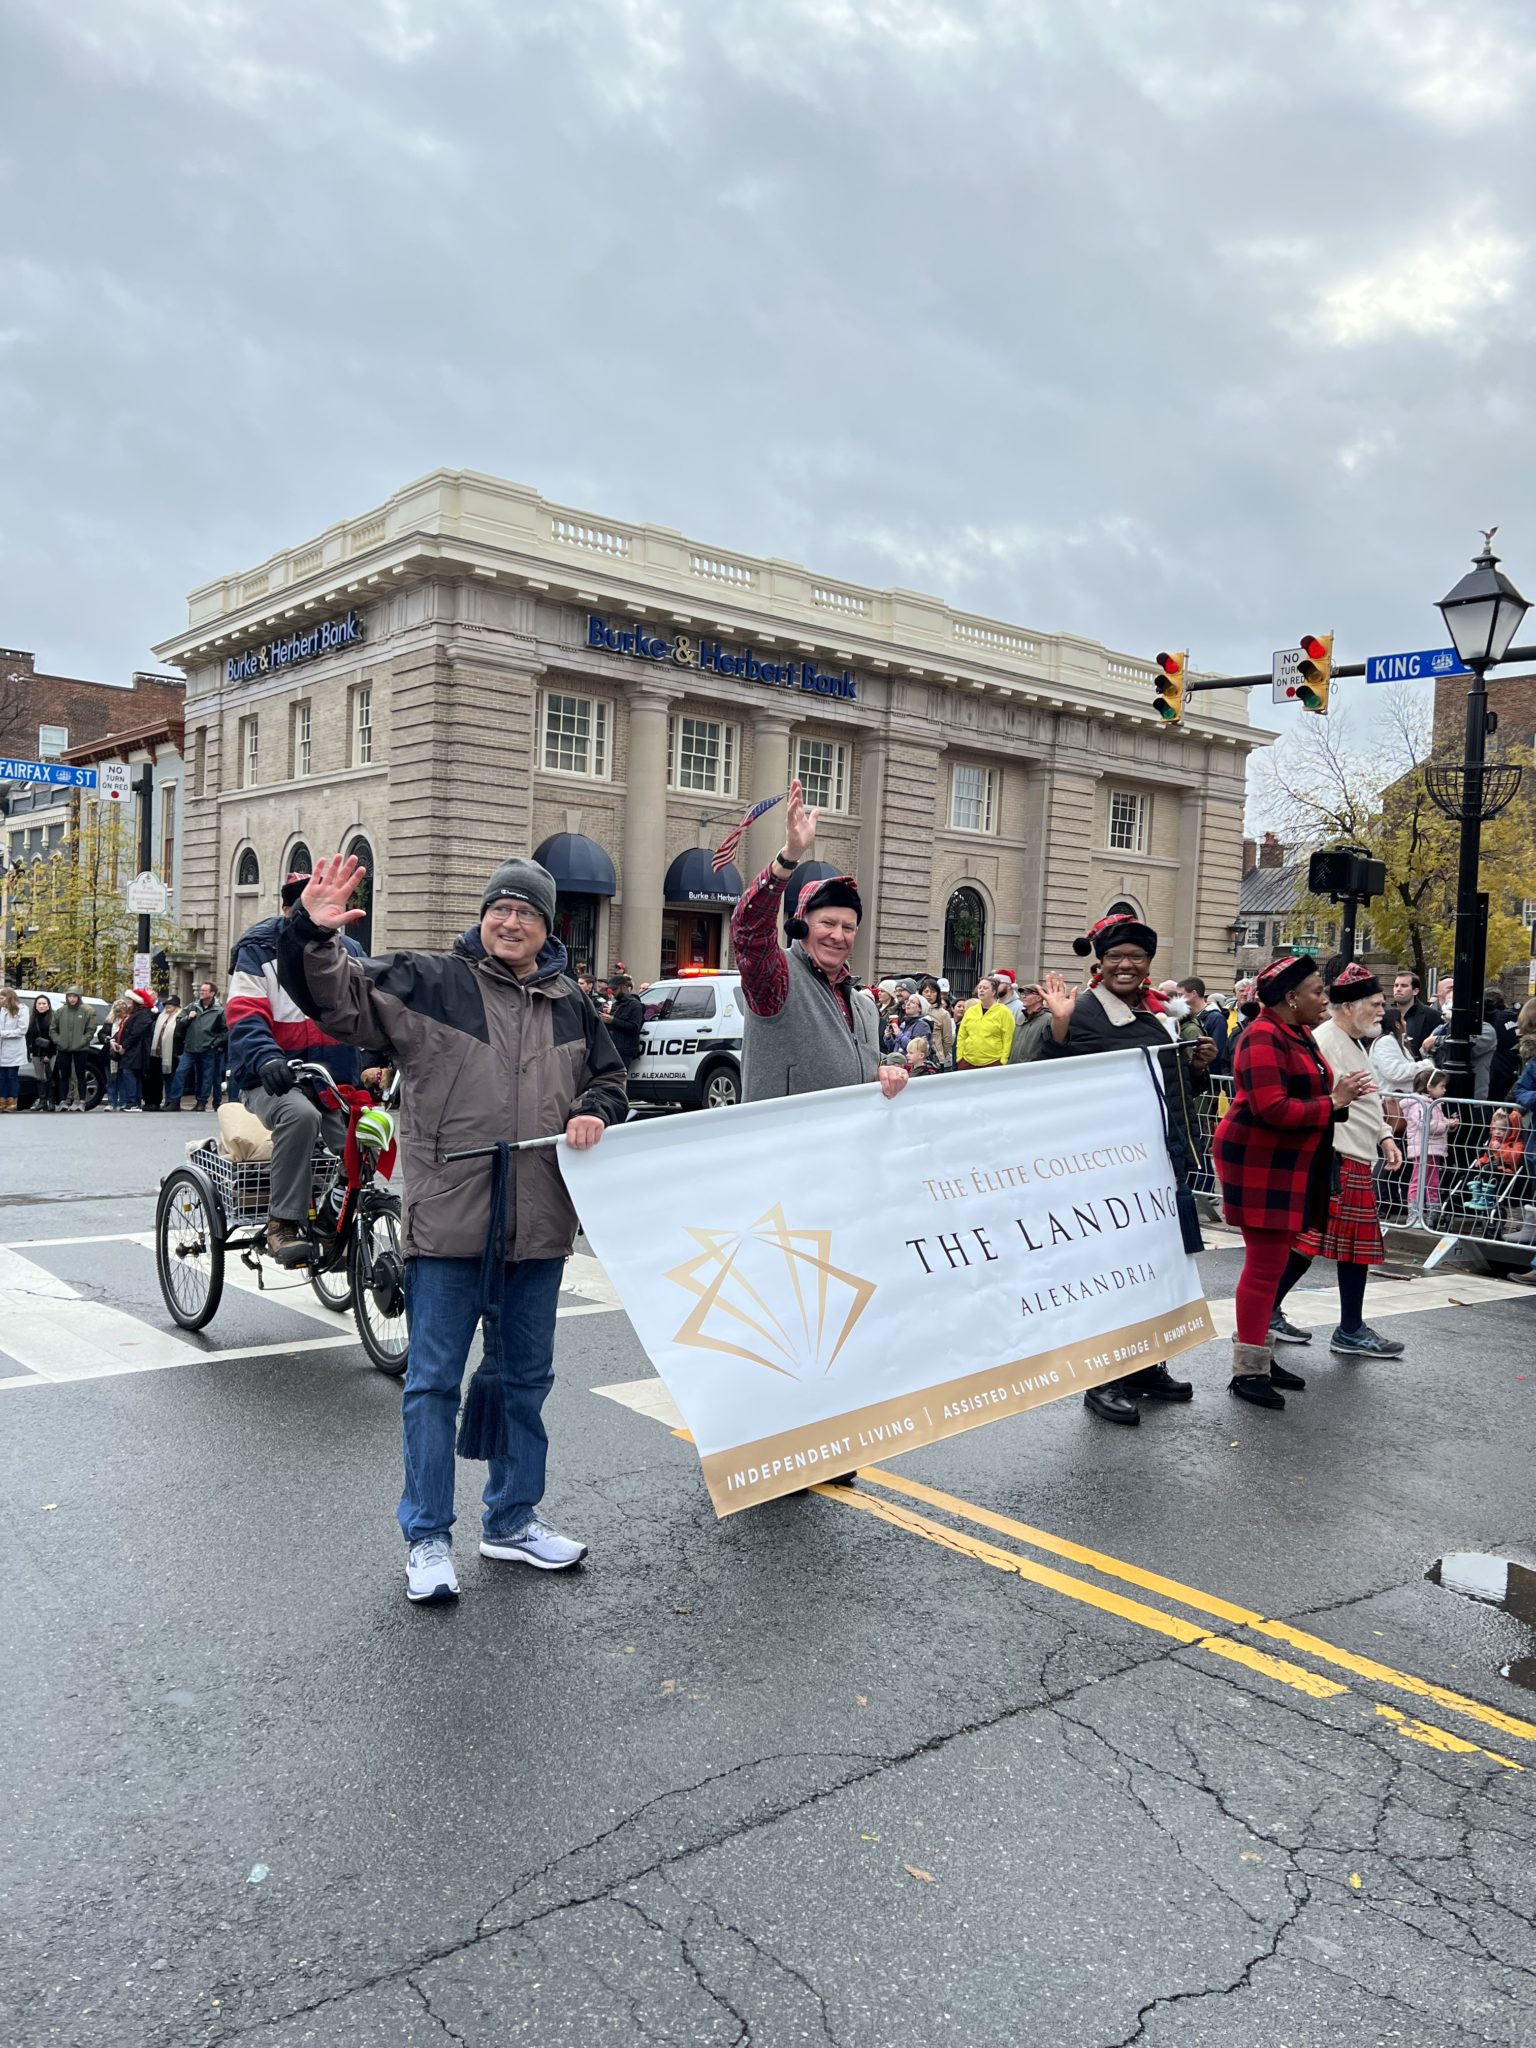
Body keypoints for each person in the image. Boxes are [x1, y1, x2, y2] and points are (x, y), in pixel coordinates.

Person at [278, 849, 627, 1605]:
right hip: (450, 1225)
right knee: (433, 1384)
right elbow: (338, 999)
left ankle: (511, 1520)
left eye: (527, 912)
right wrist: (311, 932)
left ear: (547, 926)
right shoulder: (430, 981)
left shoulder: (571, 1002)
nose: (511, 921)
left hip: (537, 1226)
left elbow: (608, 1076)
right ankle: (428, 1536)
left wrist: (597, 1109)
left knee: (526, 1380)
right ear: (483, 914)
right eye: (501, 907)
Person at [1037, 913, 1215, 1423]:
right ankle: (1103, 1378)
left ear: (1149, 965)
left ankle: (1145, 1365)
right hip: (1109, 1168)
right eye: (1116, 956)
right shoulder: (1084, 1010)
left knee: (1156, 1267)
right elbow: (1044, 1080)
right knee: (1113, 1273)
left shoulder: (1161, 1014)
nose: (1126, 965)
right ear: (1100, 962)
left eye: (1136, 957)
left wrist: (1195, 1066)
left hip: (1162, 1158)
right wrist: (1059, 1025)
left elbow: (1170, 1088)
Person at [1213, 957, 1373, 1408]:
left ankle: (1259, 1357)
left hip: (1288, 1162)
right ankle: (1247, 1371)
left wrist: (1338, 1096)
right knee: (1264, 1268)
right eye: (1318, 991)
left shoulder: (1295, 1033)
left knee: (1272, 1263)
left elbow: (1305, 1097)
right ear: (1290, 997)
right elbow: (1272, 1109)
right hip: (1260, 1162)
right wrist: (1334, 1100)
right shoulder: (1262, 1035)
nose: (1324, 998)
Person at [730, 779, 908, 1105]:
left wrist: (889, 1068)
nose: (838, 935)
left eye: (848, 927)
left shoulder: (864, 1004)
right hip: (783, 1148)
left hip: (847, 1148)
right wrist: (788, 857)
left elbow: (866, 1065)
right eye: (827, 923)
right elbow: (748, 929)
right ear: (801, 925)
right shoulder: (776, 981)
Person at [1266, 962, 1404, 1363]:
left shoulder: (1354, 1040)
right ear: (1349, 1007)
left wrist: (1385, 1136)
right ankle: (1342, 1328)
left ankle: (1337, 1325)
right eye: (1376, 1004)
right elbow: (1320, 1099)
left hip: (1354, 1153)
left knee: (1336, 1246)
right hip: (1335, 1155)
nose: (1383, 1011)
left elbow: (1365, 1101)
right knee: (1321, 1244)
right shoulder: (1325, 1040)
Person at [227, 878, 367, 1264]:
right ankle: (282, 1223)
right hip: (271, 1076)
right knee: (299, 1115)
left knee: (367, 1137)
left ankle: (336, 1219)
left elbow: (372, 1009)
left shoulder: (349, 951)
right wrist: (265, 1057)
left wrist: (382, 1059)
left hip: (332, 1077)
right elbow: (244, 1011)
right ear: (290, 911)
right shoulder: (257, 948)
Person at [1399, 1069, 1455, 1215]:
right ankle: (1414, 1214)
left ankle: (1432, 1214)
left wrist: (1448, 1123)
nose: (1444, 1090)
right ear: (1430, 1087)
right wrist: (1446, 1124)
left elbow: (1434, 1123)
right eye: (1441, 1086)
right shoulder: (1419, 1104)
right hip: (1422, 1148)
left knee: (1433, 1181)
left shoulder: (1433, 1104)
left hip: (1433, 1148)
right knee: (1418, 1180)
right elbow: (1426, 1125)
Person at [169, 983, 228, 1111]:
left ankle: (201, 1101)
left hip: (208, 1049)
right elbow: (179, 1021)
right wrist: (188, 1018)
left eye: (204, 990)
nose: (201, 992)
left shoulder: (219, 1011)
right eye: (201, 990)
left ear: (212, 993)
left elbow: (225, 1031)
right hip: (190, 1047)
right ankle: (174, 1101)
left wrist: (214, 1043)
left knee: (206, 1077)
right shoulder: (192, 1006)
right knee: (180, 1073)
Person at [49, 989, 95, 1110]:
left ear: (79, 997)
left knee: (80, 1075)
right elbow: (53, 1029)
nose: (72, 999)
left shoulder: (85, 1012)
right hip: (63, 1048)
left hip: (81, 1049)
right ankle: (63, 1101)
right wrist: (59, 1041)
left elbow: (90, 1030)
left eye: (75, 996)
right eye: (70, 996)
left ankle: (82, 1102)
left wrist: (82, 1041)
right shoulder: (60, 1011)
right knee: (64, 1075)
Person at [955, 977, 1015, 1068]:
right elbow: (962, 1035)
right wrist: (959, 1057)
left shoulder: (1004, 1012)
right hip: (967, 1062)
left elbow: (1008, 1038)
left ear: (994, 992)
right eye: (979, 988)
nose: (981, 990)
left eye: (985, 988)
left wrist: (1003, 1060)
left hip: (993, 1062)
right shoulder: (971, 1011)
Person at [1393, 970, 1440, 1056]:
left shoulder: (1433, 1016)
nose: (1398, 989)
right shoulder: (1385, 1014)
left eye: (1404, 986)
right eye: (1396, 985)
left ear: (1415, 991)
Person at [605, 972, 645, 1067]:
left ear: (623, 987)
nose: (613, 992)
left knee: (619, 1078)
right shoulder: (617, 1004)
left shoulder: (635, 1005)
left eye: (614, 989)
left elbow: (634, 1027)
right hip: (614, 1048)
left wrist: (612, 1020)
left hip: (625, 1050)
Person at [149, 995, 182, 1110]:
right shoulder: (161, 1017)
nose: (168, 1006)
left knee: (172, 1077)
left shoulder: (179, 1017)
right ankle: (168, 1100)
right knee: (166, 1077)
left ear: (176, 1006)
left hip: (174, 1051)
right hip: (160, 1051)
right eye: (166, 1004)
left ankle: (173, 1100)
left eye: (171, 1004)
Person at [25, 993, 56, 1111]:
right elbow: (29, 1038)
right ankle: (42, 1101)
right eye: (39, 1004)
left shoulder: (53, 1019)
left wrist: (48, 1054)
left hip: (50, 1052)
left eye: (44, 1003)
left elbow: (54, 1038)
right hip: (37, 1053)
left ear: (48, 1005)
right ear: (35, 1005)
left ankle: (51, 1101)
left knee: (50, 1076)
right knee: (40, 1077)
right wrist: (29, 1052)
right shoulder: (32, 1019)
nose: (41, 1006)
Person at [1008, 984, 1052, 1065]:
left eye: (1028, 993)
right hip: (1013, 1067)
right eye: (1023, 994)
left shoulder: (1047, 1018)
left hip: (1032, 1070)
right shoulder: (1021, 1017)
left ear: (1039, 998)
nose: (1024, 996)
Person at [918, 979, 955, 1069]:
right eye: (926, 991)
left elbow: (947, 1040)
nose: (929, 994)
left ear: (938, 994)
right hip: (916, 1058)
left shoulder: (943, 1014)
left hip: (936, 1060)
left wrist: (940, 1055)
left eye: (933, 991)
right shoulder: (916, 1010)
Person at [0, 989, 25, 1111]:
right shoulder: (2, 1010)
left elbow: (22, 1030)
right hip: (2, 1049)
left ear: (9, 998)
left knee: (11, 1075)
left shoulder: (22, 1010)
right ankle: (2, 1100)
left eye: (2, 998)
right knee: (1, 1076)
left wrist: (3, 1033)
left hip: (14, 1049)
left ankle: (12, 1101)